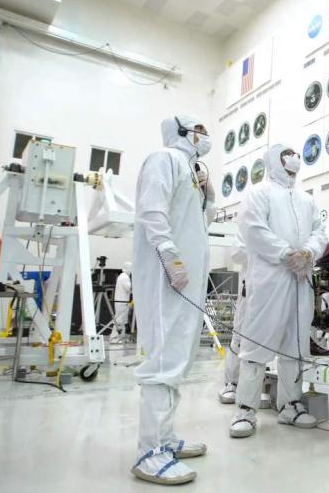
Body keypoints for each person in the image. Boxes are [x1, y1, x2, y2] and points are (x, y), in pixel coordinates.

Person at [130, 115, 215, 485]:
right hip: (168, 277)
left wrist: (207, 192)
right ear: (183, 131)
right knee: (163, 360)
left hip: (185, 281)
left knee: (176, 360)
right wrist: (169, 255)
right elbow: (152, 210)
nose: (205, 136)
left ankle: (165, 440)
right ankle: (149, 453)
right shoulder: (163, 158)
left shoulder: (189, 171)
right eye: (201, 130)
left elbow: (200, 223)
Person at [229, 144, 327, 438]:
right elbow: (254, 232)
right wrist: (287, 254)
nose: (294, 158)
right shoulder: (258, 194)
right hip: (270, 279)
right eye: (287, 154)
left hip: (301, 279)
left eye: (295, 154)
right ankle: (245, 409)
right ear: (273, 159)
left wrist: (309, 253)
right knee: (257, 343)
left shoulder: (306, 199)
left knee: (296, 344)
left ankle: (291, 405)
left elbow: (319, 232)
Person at [218, 239, 271, 409]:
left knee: (265, 341)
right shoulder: (246, 228)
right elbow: (237, 254)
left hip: (271, 291)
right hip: (249, 290)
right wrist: (265, 250)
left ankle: (256, 388)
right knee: (240, 337)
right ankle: (231, 383)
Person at [111, 262, 132, 344]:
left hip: (122, 301)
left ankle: (120, 337)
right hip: (122, 302)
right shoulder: (124, 277)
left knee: (122, 320)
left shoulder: (122, 276)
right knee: (120, 320)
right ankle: (114, 338)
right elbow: (129, 288)